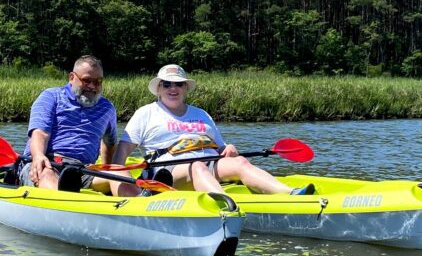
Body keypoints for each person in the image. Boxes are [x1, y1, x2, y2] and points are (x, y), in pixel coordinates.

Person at [112, 64, 311, 195]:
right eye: (167, 84)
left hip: (209, 163)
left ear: (185, 88)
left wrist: (228, 150)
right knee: (197, 166)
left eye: (179, 84)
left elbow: (221, 149)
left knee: (240, 161)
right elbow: (122, 152)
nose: (173, 88)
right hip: (166, 173)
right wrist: (126, 185)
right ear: (159, 89)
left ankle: (290, 194)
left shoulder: (201, 114)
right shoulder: (146, 113)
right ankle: (225, 207)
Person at [21, 55, 139, 197]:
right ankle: (62, 209)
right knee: (47, 174)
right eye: (87, 80)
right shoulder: (51, 96)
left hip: (83, 170)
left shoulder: (107, 108)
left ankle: (138, 210)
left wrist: (108, 169)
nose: (92, 86)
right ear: (72, 77)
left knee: (120, 173)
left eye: (98, 82)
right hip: (48, 162)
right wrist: (38, 156)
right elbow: (40, 133)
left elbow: (109, 143)